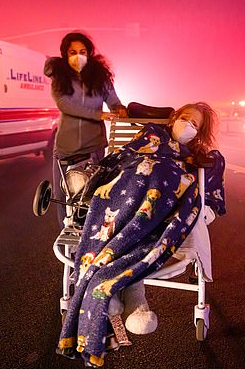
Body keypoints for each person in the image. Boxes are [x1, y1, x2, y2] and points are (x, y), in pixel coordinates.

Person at [57, 102, 226, 367]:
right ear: (172, 120)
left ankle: (113, 291)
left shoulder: (199, 157)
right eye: (184, 118)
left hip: (161, 203)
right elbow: (122, 157)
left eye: (195, 124)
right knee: (136, 178)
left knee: (161, 177)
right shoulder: (151, 134)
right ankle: (118, 294)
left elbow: (209, 193)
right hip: (125, 193)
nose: (188, 126)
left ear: (200, 132)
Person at [44, 32, 127, 228]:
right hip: (66, 148)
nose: (78, 56)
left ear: (89, 53)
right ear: (65, 54)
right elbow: (64, 104)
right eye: (73, 52)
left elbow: (114, 102)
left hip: (94, 147)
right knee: (64, 196)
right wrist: (99, 115)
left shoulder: (100, 77)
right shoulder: (60, 77)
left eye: (82, 52)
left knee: (92, 195)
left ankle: (91, 239)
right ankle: (68, 240)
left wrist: (119, 110)